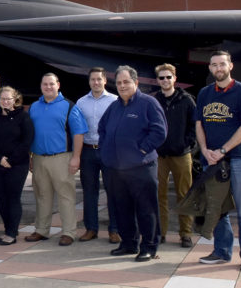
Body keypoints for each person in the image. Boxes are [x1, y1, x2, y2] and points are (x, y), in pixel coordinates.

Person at [195, 51, 241, 271]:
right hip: (211, 159)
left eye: (222, 64)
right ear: (210, 68)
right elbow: (199, 124)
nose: (218, 68)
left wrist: (222, 150)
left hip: (238, 158)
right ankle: (221, 251)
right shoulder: (204, 93)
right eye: (213, 65)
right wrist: (204, 150)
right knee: (217, 208)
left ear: (230, 66)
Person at [99, 65, 166, 262]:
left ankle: (149, 247)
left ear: (136, 83)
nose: (122, 86)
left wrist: (141, 150)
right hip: (116, 169)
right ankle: (128, 243)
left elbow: (159, 132)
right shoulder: (114, 106)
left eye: (126, 82)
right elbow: (102, 129)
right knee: (122, 207)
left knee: (146, 209)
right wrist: (105, 151)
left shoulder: (148, 103)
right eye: (118, 83)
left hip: (141, 167)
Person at [25, 73, 87, 247]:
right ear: (41, 86)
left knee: (65, 196)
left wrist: (76, 157)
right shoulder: (34, 107)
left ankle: (68, 232)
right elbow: (30, 134)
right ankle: (41, 230)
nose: (48, 87)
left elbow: (78, 133)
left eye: (51, 84)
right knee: (42, 196)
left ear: (58, 85)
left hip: (61, 158)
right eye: (45, 84)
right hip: (38, 158)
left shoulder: (69, 106)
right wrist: (30, 156)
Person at [0, 86, 34, 245]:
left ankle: (11, 234)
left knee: (13, 198)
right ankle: (8, 229)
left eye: (8, 99)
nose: (5, 101)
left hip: (17, 165)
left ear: (15, 100)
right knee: (1, 198)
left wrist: (10, 160)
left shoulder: (23, 117)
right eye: (2, 99)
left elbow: (27, 142)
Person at [152, 63, 196, 248]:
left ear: (174, 79)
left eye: (168, 77)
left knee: (184, 194)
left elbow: (194, 125)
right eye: (161, 78)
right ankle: (160, 232)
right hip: (160, 156)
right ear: (157, 80)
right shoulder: (154, 101)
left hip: (181, 155)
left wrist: (187, 144)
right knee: (158, 194)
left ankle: (185, 233)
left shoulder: (187, 100)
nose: (165, 81)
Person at [75, 67, 120, 244]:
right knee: (89, 192)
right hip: (87, 150)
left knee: (113, 191)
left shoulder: (115, 101)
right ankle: (91, 228)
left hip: (108, 150)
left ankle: (114, 229)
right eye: (93, 79)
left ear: (105, 81)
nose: (96, 82)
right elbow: (77, 129)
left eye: (99, 79)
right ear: (89, 82)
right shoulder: (81, 102)